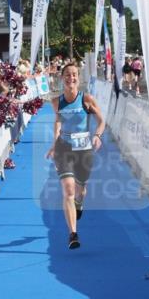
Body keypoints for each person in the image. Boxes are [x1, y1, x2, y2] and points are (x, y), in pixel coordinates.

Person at [45, 63, 105, 250]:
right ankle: (73, 233)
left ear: (78, 77)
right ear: (62, 78)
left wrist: (96, 135)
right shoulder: (56, 102)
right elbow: (58, 122)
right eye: (67, 75)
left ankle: (80, 203)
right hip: (64, 148)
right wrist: (54, 144)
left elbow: (101, 121)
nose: (71, 78)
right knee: (68, 189)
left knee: (81, 189)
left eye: (74, 75)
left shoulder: (87, 99)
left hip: (84, 149)